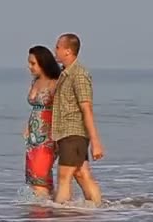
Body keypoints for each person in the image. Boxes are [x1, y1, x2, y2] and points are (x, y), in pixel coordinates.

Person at [51, 33, 104, 206]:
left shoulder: (79, 74)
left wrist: (95, 142)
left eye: (58, 47)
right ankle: (98, 208)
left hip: (74, 133)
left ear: (67, 51)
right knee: (82, 174)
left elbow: (86, 108)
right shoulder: (65, 74)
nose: (55, 50)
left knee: (64, 176)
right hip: (65, 133)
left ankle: (60, 216)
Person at [23, 45, 62, 198]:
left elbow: (59, 109)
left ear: (43, 63)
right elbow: (36, 108)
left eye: (33, 63)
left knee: (41, 173)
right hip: (33, 136)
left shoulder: (54, 83)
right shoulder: (35, 82)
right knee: (33, 174)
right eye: (29, 63)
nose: (29, 67)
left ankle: (43, 214)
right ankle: (48, 208)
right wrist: (28, 126)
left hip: (47, 134)